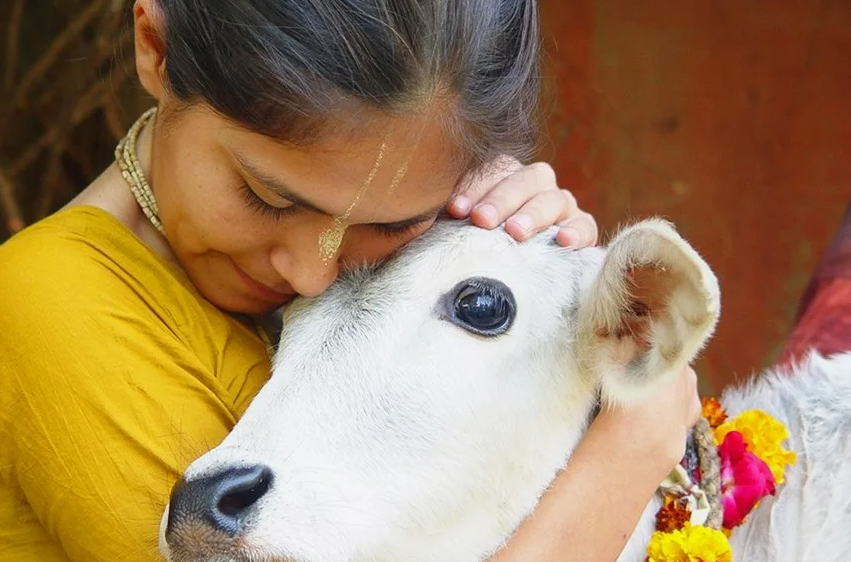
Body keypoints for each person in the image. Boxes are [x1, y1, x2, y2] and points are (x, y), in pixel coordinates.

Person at [0, 1, 702, 561]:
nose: (310, 272)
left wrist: (540, 273)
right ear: (155, 50)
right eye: (267, 197)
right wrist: (629, 450)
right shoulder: (49, 305)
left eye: (390, 225)